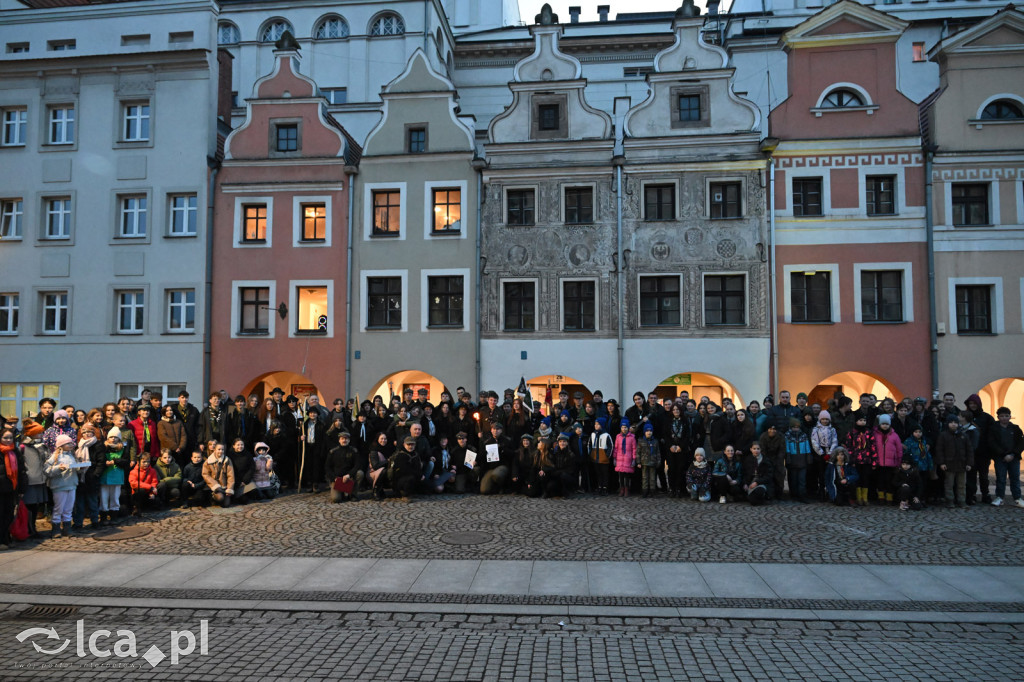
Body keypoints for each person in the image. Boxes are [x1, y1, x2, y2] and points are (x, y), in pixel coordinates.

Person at [988, 407, 1024, 507]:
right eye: (1002, 416)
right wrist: (1003, 454)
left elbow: (1021, 442)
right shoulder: (994, 428)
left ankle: (1017, 498)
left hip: (1014, 458)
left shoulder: (1015, 428)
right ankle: (999, 497)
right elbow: (992, 443)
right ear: (998, 417)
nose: (1004, 418)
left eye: (1006, 416)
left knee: (1015, 478)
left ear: (1010, 417)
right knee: (1000, 478)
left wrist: (1013, 454)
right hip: (1000, 458)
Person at [935, 414, 973, 508]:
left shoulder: (963, 435)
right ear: (947, 423)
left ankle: (961, 500)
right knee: (949, 484)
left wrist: (969, 463)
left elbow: (969, 450)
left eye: (955, 422)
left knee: (961, 484)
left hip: (962, 463)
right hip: (949, 464)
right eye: (951, 422)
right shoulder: (943, 435)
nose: (953, 424)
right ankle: (950, 500)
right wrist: (942, 462)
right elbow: (939, 450)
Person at [18, 422, 48, 538]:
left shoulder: (40, 445)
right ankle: (28, 529)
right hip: (29, 481)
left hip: (40, 480)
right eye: (39, 432)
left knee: (35, 506)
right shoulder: (23, 447)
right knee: (29, 506)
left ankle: (32, 528)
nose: (41, 434)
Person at [46, 434, 78, 537]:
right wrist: (58, 469)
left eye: (71, 443)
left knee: (69, 508)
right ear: (61, 445)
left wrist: (80, 468)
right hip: (59, 485)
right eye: (67, 443)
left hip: (72, 484)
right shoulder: (54, 457)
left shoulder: (72, 455)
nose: (70, 445)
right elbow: (46, 470)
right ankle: (55, 529)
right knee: (59, 508)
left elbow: (75, 468)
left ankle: (67, 528)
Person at [0, 429, 27, 549]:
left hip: (11, 489)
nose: (8, 440)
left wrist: (21, 489)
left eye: (10, 438)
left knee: (9, 515)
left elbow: (21, 471)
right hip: (0, 489)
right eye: (5, 438)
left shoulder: (15, 451)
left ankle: (5, 538)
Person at [845, 414, 877, 507]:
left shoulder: (869, 432)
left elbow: (873, 446)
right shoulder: (852, 432)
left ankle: (865, 498)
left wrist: (874, 460)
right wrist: (851, 459)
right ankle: (858, 498)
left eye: (864, 420)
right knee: (857, 478)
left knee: (866, 478)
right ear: (856, 421)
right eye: (860, 420)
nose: (862, 422)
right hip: (856, 460)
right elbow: (849, 446)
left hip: (867, 460)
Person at [325, 431, 363, 503]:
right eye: (342, 438)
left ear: (349, 440)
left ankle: (352, 494)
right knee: (336, 499)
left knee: (360, 473)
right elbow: (327, 467)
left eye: (346, 439)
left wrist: (349, 475)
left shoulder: (354, 451)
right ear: (339, 440)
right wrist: (334, 478)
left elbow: (357, 465)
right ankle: (341, 492)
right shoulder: (333, 451)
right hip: (337, 479)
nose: (344, 440)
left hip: (349, 477)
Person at [874, 414, 903, 505]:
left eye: (887, 424)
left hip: (891, 463)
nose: (885, 426)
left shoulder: (894, 435)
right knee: (880, 481)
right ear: (879, 424)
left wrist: (898, 462)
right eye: (883, 424)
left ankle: (889, 498)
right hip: (879, 463)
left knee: (890, 481)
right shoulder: (875, 434)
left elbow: (899, 449)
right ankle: (881, 497)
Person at [810, 410, 838, 501]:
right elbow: (815, 441)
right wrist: (821, 453)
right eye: (823, 419)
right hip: (820, 454)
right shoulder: (816, 429)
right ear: (820, 420)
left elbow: (834, 440)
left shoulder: (832, 429)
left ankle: (829, 492)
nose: (825, 421)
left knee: (830, 474)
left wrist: (830, 453)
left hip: (830, 452)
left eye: (827, 419)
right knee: (821, 474)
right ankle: (821, 491)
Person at [478, 422, 511, 495]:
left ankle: (502, 487)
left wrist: (502, 449)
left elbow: (512, 454)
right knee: (484, 490)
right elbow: (481, 456)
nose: (495, 431)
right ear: (491, 430)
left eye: (498, 429)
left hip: (502, 466)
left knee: (497, 475)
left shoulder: (507, 441)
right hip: (491, 468)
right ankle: (494, 487)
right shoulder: (487, 442)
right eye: (494, 429)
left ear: (501, 431)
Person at [783, 419, 811, 503]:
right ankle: (794, 495)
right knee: (793, 479)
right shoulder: (787, 435)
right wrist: (788, 457)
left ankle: (802, 495)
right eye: (794, 427)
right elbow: (787, 447)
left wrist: (808, 456)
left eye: (797, 427)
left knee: (802, 479)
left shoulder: (804, 435)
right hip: (792, 459)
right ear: (791, 427)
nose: (796, 429)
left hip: (802, 459)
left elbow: (807, 446)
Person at [202, 443, 236, 508]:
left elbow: (231, 476)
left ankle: (221, 498)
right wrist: (215, 485)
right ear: (214, 450)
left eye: (222, 449)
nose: (221, 451)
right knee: (220, 498)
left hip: (224, 486)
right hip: (214, 487)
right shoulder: (208, 461)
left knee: (226, 505)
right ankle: (212, 497)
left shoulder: (227, 460)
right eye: (219, 449)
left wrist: (229, 488)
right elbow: (205, 474)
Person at [158, 405, 188, 469]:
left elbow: (183, 435)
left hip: (179, 451)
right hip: (167, 452)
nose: (169, 412)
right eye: (167, 411)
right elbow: (163, 437)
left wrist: (181, 447)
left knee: (179, 468)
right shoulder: (161, 423)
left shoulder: (179, 422)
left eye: (171, 410)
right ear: (164, 412)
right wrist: (175, 447)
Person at [636, 422, 661, 499]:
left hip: (653, 462)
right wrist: (638, 462)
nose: (649, 432)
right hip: (644, 462)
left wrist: (658, 461)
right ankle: (645, 491)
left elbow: (658, 452)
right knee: (645, 478)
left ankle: (652, 491)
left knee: (653, 478)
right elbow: (638, 452)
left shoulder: (655, 441)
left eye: (650, 431)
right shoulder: (641, 441)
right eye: (647, 431)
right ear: (644, 432)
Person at [613, 418, 636, 497]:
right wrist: (615, 458)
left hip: (627, 459)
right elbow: (616, 448)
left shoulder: (632, 437)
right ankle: (621, 488)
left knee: (627, 476)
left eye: (625, 427)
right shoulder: (618, 437)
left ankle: (626, 489)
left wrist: (634, 459)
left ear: (628, 428)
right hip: (619, 459)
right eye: (622, 427)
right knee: (621, 476)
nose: (624, 429)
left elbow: (634, 449)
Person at [367, 431, 393, 499]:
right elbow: (375, 466)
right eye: (381, 439)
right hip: (373, 472)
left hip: (385, 470)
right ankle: (375, 491)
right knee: (383, 471)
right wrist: (387, 461)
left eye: (385, 439)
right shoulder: (374, 451)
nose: (383, 440)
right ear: (377, 439)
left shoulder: (388, 449)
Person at [228, 438, 255, 502]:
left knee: (254, 493)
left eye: (242, 444)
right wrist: (238, 482)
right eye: (238, 445)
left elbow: (252, 467)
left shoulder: (248, 454)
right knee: (244, 500)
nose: (240, 446)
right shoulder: (229, 456)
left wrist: (245, 480)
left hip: (245, 480)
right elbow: (229, 471)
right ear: (233, 446)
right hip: (235, 481)